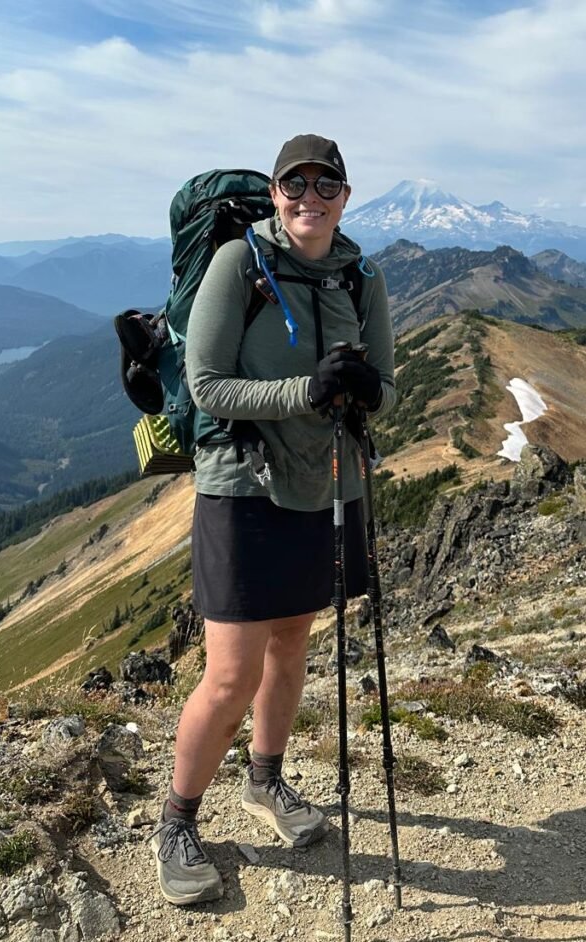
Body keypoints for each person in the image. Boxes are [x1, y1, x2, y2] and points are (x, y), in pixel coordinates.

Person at [151, 134, 396, 905]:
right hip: (243, 486)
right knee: (230, 672)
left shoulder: (361, 276)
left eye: (327, 186)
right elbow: (208, 385)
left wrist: (362, 388)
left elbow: (385, 386)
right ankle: (177, 822)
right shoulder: (240, 265)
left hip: (327, 484)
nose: (310, 198)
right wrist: (308, 392)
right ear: (277, 190)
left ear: (346, 197)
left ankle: (266, 781)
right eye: (296, 184)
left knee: (293, 639)